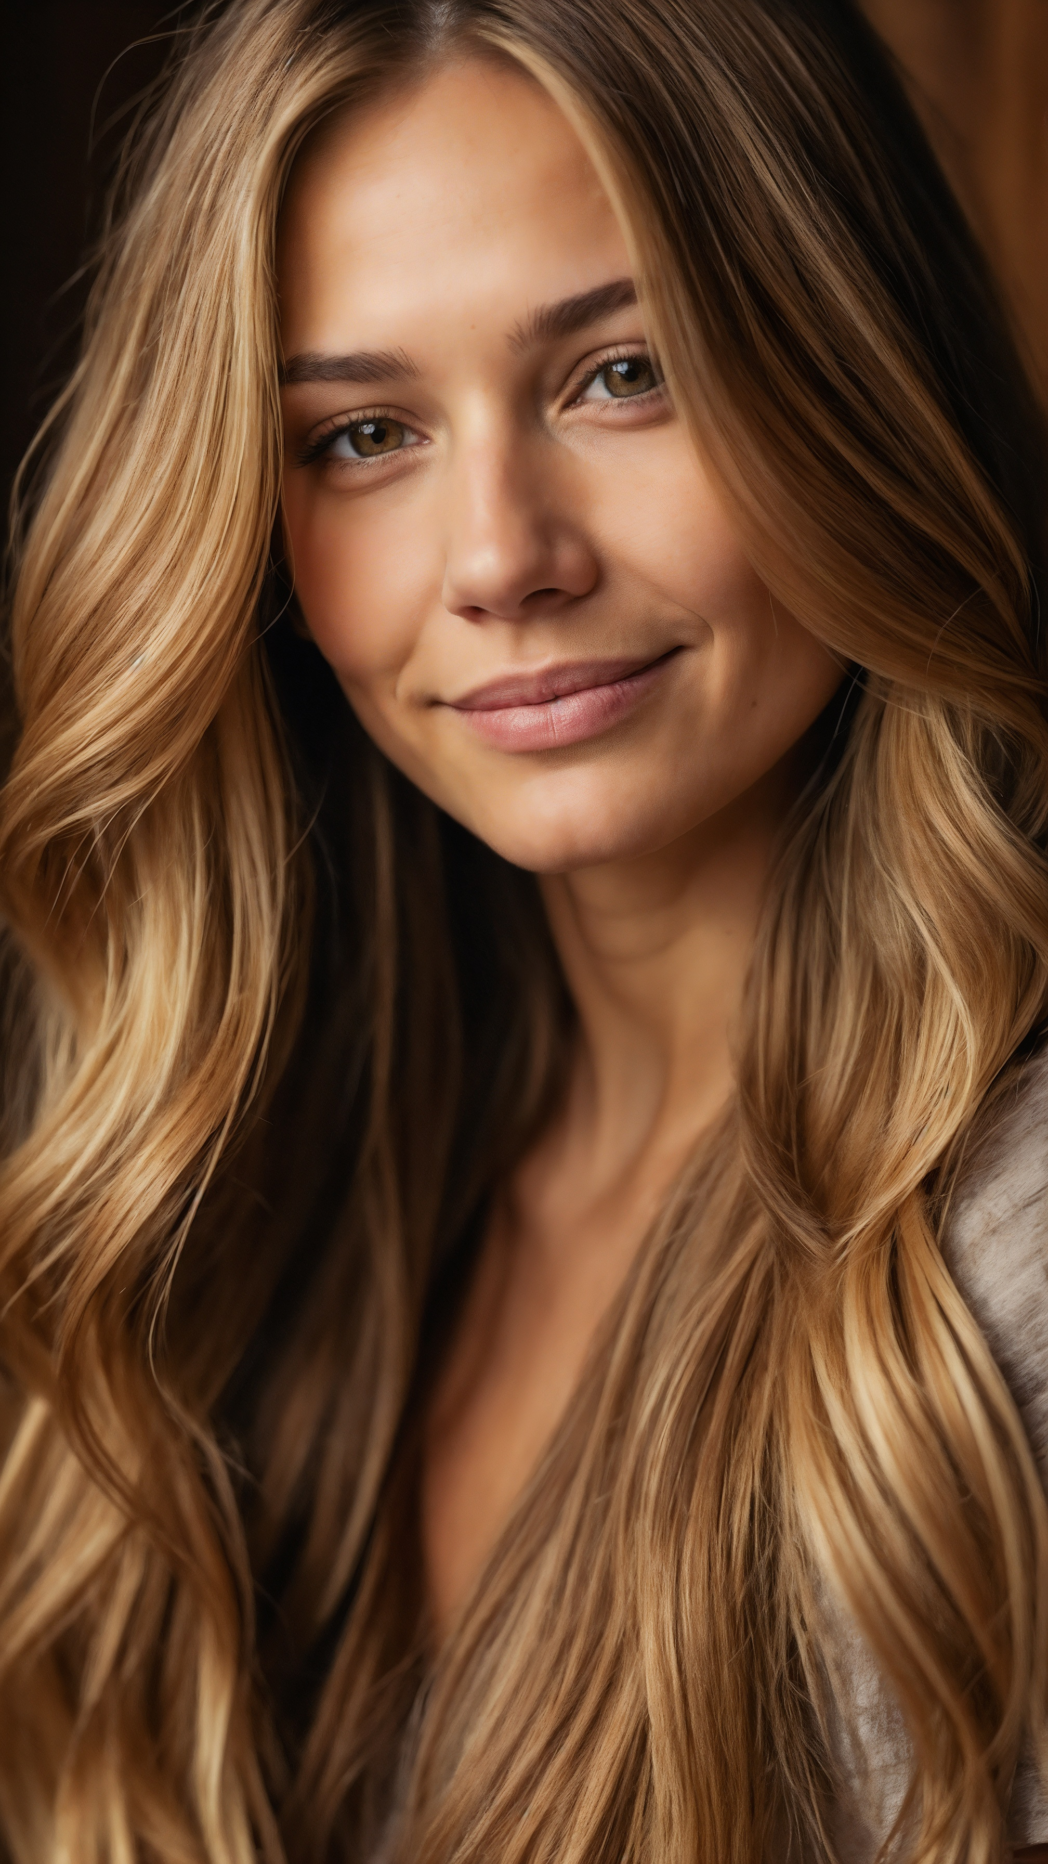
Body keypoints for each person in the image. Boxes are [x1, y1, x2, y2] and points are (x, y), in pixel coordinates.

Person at [2, 0, 1048, 1858]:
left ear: (851, 362)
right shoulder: (280, 1208)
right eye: (366, 433)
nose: (500, 557)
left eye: (621, 373)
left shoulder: (1004, 1263)